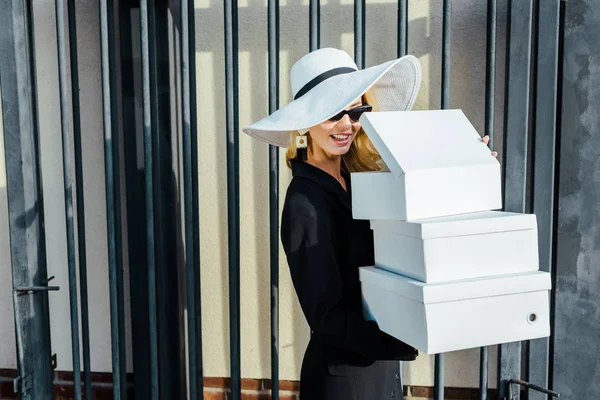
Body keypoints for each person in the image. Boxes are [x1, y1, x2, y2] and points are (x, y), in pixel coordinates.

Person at [243, 48, 494, 400]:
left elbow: (417, 228)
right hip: (344, 380)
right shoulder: (304, 204)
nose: (347, 125)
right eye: (334, 115)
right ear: (305, 123)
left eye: (356, 111)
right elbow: (327, 317)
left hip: (379, 370)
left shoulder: (360, 181)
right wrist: (401, 339)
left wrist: (466, 164)